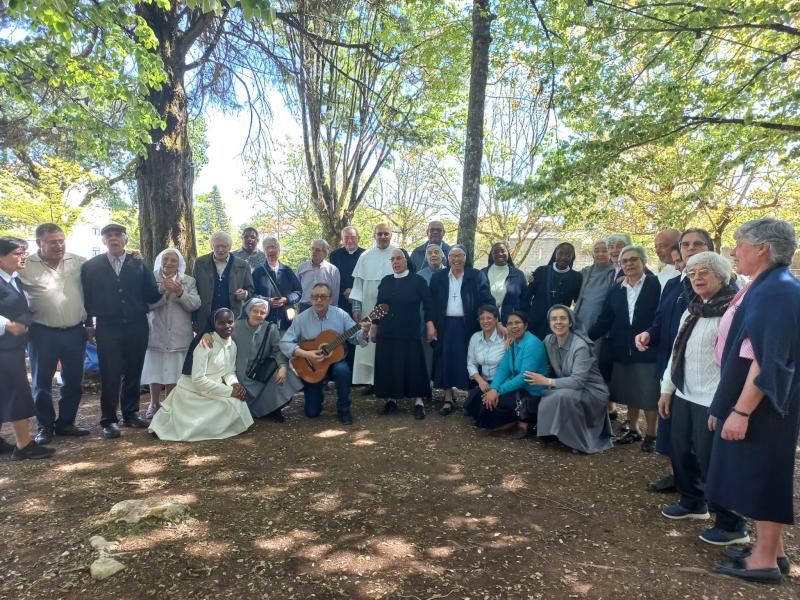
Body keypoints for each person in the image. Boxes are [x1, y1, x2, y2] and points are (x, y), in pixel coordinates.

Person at [706, 219, 800, 584]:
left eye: (739, 244)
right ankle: (772, 551)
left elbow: (767, 357)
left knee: (763, 477)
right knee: (759, 475)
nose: (734, 252)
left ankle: (761, 560)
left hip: (764, 405)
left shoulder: (778, 291)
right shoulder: (767, 286)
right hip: (758, 402)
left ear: (762, 248)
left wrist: (741, 410)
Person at [655, 252, 746, 542]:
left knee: (713, 461)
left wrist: (726, 404)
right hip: (685, 391)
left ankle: (732, 525)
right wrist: (667, 389)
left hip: (714, 397)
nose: (697, 278)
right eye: (692, 273)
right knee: (680, 450)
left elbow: (737, 362)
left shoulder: (733, 310)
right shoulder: (693, 308)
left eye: (704, 272)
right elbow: (676, 352)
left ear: (721, 275)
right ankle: (693, 502)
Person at [635, 229, 716, 488]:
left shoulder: (717, 287)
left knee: (697, 435)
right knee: (673, 426)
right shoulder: (673, 283)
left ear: (710, 247)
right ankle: (681, 477)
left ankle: (704, 487)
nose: (690, 249)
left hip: (698, 373)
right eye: (685, 245)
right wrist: (649, 333)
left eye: (697, 244)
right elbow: (661, 319)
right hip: (667, 363)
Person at [81, 224, 163, 439]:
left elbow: (151, 295)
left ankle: (131, 413)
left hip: (137, 325)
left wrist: (165, 288)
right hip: (108, 327)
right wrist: (89, 324)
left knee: (134, 371)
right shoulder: (91, 266)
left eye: (118, 235)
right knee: (110, 373)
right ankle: (108, 420)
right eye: (109, 235)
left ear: (125, 239)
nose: (114, 239)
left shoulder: (138, 264)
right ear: (103, 241)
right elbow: (87, 298)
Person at [18, 223, 90, 444]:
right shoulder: (25, 265)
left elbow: (103, 272)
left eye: (61, 240)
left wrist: (133, 256)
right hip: (41, 333)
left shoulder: (79, 262)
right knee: (41, 382)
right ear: (39, 242)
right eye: (52, 242)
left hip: (75, 332)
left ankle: (66, 423)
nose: (59, 245)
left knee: (74, 381)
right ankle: (45, 426)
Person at [588, 245, 661, 452]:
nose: (629, 264)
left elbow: (660, 317)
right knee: (630, 392)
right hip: (622, 347)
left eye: (633, 259)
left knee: (648, 393)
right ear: (620, 264)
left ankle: (652, 434)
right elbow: (605, 320)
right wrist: (585, 338)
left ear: (643, 262)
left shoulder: (656, 285)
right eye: (625, 261)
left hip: (648, 348)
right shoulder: (616, 290)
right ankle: (634, 429)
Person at [148, 308, 253, 441]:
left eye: (230, 322)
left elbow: (229, 372)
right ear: (214, 325)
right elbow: (198, 380)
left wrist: (235, 384)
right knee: (227, 406)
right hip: (193, 392)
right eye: (221, 323)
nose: (227, 326)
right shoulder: (206, 343)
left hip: (213, 389)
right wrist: (228, 391)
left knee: (238, 403)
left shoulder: (232, 345)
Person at [526, 305, 613, 454]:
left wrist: (546, 381)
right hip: (567, 386)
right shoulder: (549, 340)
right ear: (549, 323)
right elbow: (533, 349)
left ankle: (579, 441)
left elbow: (578, 381)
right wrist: (512, 342)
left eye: (563, 318)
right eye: (554, 319)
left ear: (571, 322)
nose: (558, 322)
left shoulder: (580, 346)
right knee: (551, 394)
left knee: (561, 396)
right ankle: (554, 434)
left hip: (591, 391)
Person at [280, 283, 370, 425]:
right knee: (312, 412)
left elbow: (355, 338)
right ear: (311, 299)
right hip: (312, 366)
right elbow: (285, 343)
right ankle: (317, 397)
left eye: (323, 297)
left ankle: (344, 408)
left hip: (334, 362)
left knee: (343, 370)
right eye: (315, 297)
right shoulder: (301, 318)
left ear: (330, 299)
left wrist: (364, 331)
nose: (319, 300)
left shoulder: (340, 315)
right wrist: (307, 354)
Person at [0, 237, 56, 460]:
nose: (23, 256)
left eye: (24, 252)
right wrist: (6, 325)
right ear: (1, 258)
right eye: (17, 253)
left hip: (12, 347)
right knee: (17, 392)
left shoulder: (13, 279)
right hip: (4, 348)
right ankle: (24, 445)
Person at [430, 245, 495, 415]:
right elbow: (430, 305)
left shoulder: (476, 275)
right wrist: (430, 324)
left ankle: (469, 399)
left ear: (465, 258)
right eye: (453, 256)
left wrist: (494, 321)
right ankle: (448, 399)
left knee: (469, 359)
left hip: (469, 325)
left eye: (460, 256)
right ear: (448, 258)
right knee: (446, 359)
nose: (456, 259)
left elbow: (487, 300)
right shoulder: (438, 277)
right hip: (444, 325)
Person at [373, 249, 435, 419]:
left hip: (409, 331)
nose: (395, 262)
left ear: (406, 261)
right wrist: (375, 326)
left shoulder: (418, 281)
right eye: (392, 259)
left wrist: (430, 324)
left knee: (414, 366)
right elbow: (379, 306)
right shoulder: (386, 281)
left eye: (399, 258)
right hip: (387, 331)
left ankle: (419, 402)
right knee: (389, 365)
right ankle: (391, 400)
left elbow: (429, 305)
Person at [141, 248, 201, 419]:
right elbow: (145, 304)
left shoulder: (188, 281)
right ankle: (154, 403)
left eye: (173, 260)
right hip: (156, 330)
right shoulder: (151, 278)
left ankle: (170, 403)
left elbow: (195, 304)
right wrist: (163, 292)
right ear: (160, 260)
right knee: (156, 369)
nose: (168, 263)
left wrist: (180, 293)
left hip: (179, 332)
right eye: (165, 259)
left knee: (174, 370)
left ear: (179, 264)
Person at [474, 311, 547, 436]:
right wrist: (493, 388)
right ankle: (513, 420)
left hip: (530, 392)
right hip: (517, 388)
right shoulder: (513, 342)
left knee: (492, 401)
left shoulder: (532, 344)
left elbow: (524, 377)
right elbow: (503, 369)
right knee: (478, 394)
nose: (514, 326)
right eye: (510, 323)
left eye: (517, 322)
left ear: (525, 325)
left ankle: (517, 420)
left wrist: (498, 391)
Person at [230, 298, 303, 421]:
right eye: (255, 311)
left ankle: (273, 409)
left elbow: (278, 350)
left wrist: (283, 367)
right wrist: (205, 335)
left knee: (286, 376)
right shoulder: (235, 326)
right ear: (248, 311)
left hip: (258, 375)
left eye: (262, 312)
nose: (258, 315)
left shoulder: (271, 328)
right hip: (237, 376)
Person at [350, 224, 396, 389]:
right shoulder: (365, 256)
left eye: (386, 234)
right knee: (368, 343)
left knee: (389, 341)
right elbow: (358, 283)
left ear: (391, 235)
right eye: (379, 234)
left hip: (392, 308)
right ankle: (370, 381)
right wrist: (356, 307)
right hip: (369, 307)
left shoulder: (398, 254)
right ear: (374, 235)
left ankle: (387, 378)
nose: (383, 237)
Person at [192, 232, 254, 330]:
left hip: (233, 319)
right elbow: (193, 290)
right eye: (217, 246)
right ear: (212, 246)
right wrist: (194, 319)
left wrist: (245, 294)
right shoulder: (200, 263)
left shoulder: (243, 265)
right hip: (205, 318)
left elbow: (251, 290)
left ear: (229, 247)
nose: (220, 249)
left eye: (224, 246)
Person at [523, 242, 583, 339]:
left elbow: (578, 301)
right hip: (536, 322)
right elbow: (527, 296)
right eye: (560, 253)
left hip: (558, 325)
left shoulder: (576, 277)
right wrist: (525, 317)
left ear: (572, 257)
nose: (563, 257)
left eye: (568, 255)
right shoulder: (541, 271)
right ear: (555, 255)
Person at [463, 305, 507, 419]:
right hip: (484, 383)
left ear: (496, 319)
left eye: (489, 318)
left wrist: (495, 388)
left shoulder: (504, 338)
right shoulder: (475, 338)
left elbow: (509, 367)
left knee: (486, 410)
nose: (485, 321)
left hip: (501, 382)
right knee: (469, 405)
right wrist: (480, 381)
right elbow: (471, 363)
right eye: (482, 318)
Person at [252, 236, 302, 331]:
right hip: (264, 322)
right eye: (267, 248)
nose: (271, 250)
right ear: (264, 252)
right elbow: (251, 295)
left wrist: (287, 299)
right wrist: (267, 300)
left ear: (279, 250)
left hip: (286, 322)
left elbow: (298, 292)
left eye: (273, 247)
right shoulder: (258, 272)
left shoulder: (287, 271)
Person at [417, 244, 446, 378]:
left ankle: (446, 386)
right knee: (426, 351)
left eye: (436, 252)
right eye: (430, 253)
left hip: (445, 318)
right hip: (424, 318)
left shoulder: (450, 273)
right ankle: (425, 383)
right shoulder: (419, 276)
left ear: (442, 256)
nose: (433, 255)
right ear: (426, 257)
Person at [574, 239, 615, 331]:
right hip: (579, 321)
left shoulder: (616, 273)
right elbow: (567, 277)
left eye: (605, 250)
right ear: (593, 254)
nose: (600, 254)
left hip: (601, 325)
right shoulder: (585, 272)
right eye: (596, 251)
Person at [482, 242, 528, 324]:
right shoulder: (482, 273)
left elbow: (525, 300)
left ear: (508, 253)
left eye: (503, 251)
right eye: (495, 252)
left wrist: (522, 319)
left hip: (512, 321)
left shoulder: (518, 274)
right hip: (488, 321)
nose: (500, 254)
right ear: (491, 255)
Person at [329, 226, 365, 315]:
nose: (349, 241)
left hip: (361, 298)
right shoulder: (334, 255)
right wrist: (345, 290)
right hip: (341, 297)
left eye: (353, 237)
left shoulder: (366, 255)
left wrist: (354, 291)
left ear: (359, 238)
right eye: (346, 238)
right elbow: (333, 278)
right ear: (342, 239)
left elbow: (367, 277)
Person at [296, 239, 340, 311]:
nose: (314, 252)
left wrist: (333, 311)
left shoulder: (332, 270)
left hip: (324, 308)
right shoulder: (302, 268)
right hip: (304, 307)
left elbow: (335, 294)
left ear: (325, 253)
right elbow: (296, 290)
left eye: (317, 250)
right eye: (312, 249)